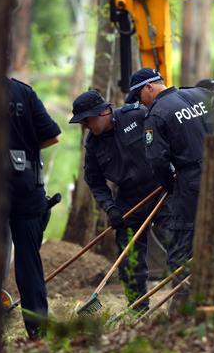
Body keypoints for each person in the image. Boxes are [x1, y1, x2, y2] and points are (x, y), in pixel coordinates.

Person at [70, 90, 171, 312]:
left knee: (176, 242)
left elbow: (166, 135)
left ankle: (186, 295)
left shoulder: (136, 115)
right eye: (83, 123)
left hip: (162, 187)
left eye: (88, 120)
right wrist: (111, 208)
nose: (86, 126)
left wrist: (171, 171)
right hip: (128, 198)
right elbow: (95, 182)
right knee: (129, 258)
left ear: (103, 112)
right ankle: (138, 309)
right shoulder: (93, 145)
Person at [126, 68, 212, 311]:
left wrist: (170, 185)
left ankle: (181, 311)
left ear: (149, 88)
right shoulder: (199, 95)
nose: (139, 104)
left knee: (182, 245)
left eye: (138, 97)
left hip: (190, 183)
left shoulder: (156, 114)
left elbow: (157, 161)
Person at [7, 77, 61, 340]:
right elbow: (53, 135)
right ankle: (38, 330)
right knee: (29, 261)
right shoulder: (23, 92)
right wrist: (24, 151)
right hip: (25, 187)